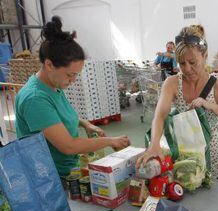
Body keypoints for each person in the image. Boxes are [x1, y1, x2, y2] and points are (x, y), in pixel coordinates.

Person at [14, 16, 131, 178]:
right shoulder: (35, 99)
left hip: (68, 168)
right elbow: (68, 146)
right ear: (49, 65)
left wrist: (85, 124)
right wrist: (110, 141)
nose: (73, 81)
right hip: (50, 177)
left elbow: (58, 116)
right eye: (70, 75)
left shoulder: (53, 86)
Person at [136, 25, 218, 179]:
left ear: (205, 55)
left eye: (193, 62)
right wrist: (154, 144)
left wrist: (210, 105)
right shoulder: (172, 83)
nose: (187, 69)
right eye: (181, 63)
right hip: (183, 160)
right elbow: (160, 115)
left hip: (211, 161)